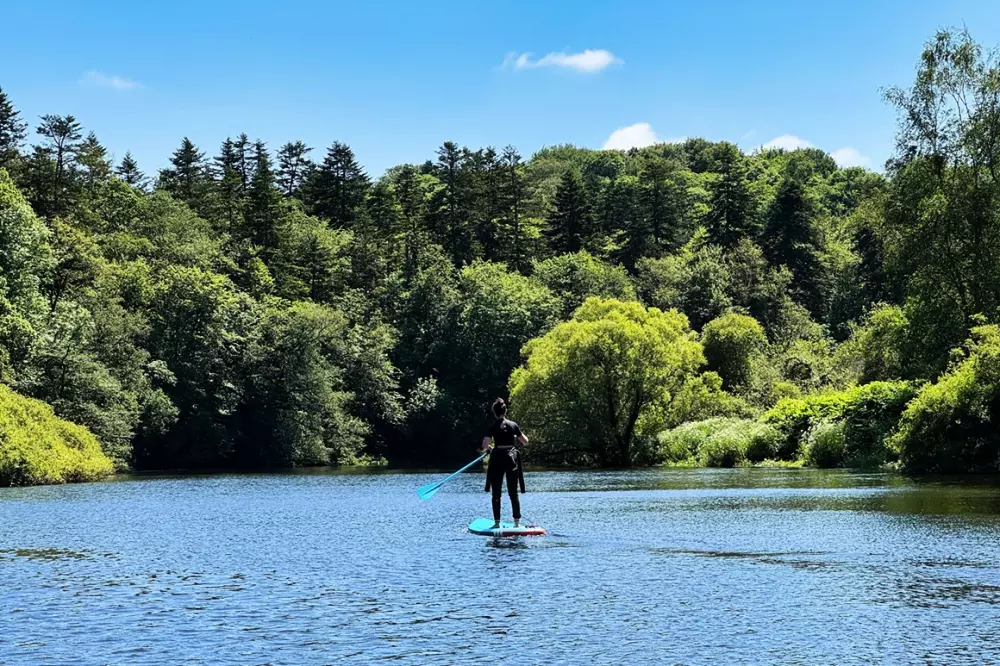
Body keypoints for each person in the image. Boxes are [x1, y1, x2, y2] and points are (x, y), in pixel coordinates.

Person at [481, 397, 528, 529]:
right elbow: (525, 441)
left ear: (495, 413)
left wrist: (490, 448)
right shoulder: (513, 425)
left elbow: (485, 445)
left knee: (496, 493)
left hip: (497, 459)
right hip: (511, 460)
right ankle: (516, 523)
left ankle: (497, 523)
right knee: (513, 492)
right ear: (505, 411)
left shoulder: (492, 427)